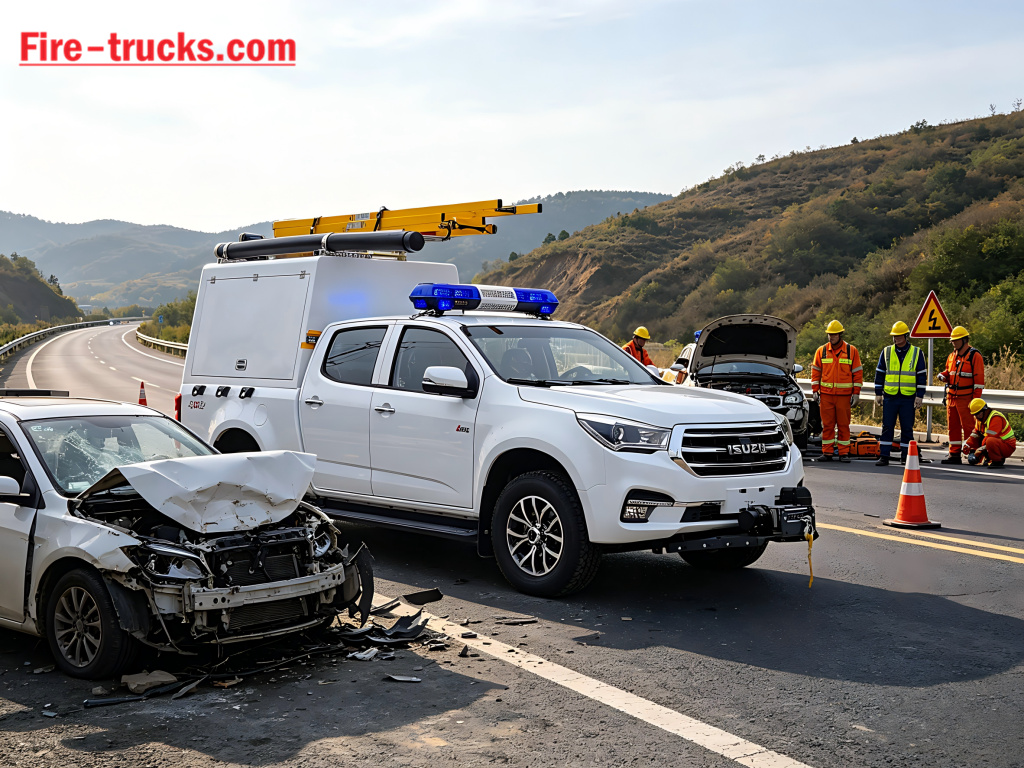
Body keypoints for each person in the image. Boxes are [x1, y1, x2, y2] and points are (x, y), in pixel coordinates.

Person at [873, 321, 926, 466]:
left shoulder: (916, 352)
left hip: (908, 397)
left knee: (907, 428)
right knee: (887, 427)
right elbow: (880, 373)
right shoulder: (887, 351)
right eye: (894, 336)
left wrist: (920, 395)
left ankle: (905, 457)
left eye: (898, 335)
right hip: (890, 396)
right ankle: (884, 456)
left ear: (905, 335)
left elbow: (921, 375)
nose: (896, 338)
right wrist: (878, 393)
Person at [810, 319, 863, 462]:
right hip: (826, 396)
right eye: (829, 334)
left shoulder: (851, 351)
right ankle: (827, 453)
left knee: (843, 425)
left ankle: (843, 453)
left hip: (844, 396)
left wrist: (856, 393)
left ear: (840, 334)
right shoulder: (821, 351)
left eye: (834, 334)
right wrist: (815, 390)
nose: (831, 337)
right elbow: (815, 372)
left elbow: (857, 373)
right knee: (827, 425)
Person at [937, 326, 985, 464]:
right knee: (953, 427)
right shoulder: (951, 356)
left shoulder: (974, 356)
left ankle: (973, 454)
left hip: (966, 399)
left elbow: (979, 382)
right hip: (951, 397)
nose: (953, 342)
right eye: (952, 340)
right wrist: (943, 375)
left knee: (969, 427)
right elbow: (949, 372)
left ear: (964, 340)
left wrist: (975, 402)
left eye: (956, 340)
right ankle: (954, 454)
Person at [964, 398, 1016, 468]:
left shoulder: (995, 417)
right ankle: (988, 458)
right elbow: (976, 433)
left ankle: (997, 461)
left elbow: (990, 437)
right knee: (983, 440)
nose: (976, 416)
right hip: (996, 442)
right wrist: (968, 445)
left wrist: (979, 451)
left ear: (984, 410)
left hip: (1007, 445)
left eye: (978, 413)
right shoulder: (979, 419)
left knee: (990, 441)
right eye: (975, 414)